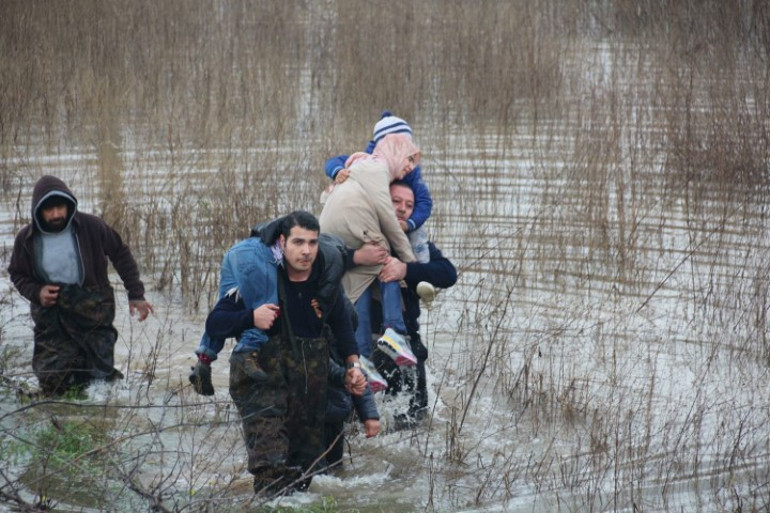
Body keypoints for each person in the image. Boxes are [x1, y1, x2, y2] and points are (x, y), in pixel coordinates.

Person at [204, 211, 367, 497]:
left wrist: (353, 366)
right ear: (282, 242)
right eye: (299, 242)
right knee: (271, 469)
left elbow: (343, 326)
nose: (306, 251)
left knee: (302, 477)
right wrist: (250, 318)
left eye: (312, 243)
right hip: (260, 387)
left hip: (307, 391)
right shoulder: (260, 279)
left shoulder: (324, 283)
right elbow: (215, 323)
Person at [7, 175, 154, 396]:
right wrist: (36, 292)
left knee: (99, 384)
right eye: (49, 210)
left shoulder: (92, 226)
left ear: (69, 204)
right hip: (51, 315)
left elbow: (121, 254)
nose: (56, 214)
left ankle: (100, 420)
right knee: (52, 384)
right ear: (38, 211)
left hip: (93, 312)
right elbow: (17, 274)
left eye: (60, 207)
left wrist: (136, 294)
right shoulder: (27, 239)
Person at [319, 132, 421, 365]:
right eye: (409, 160)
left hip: (333, 234)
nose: (410, 168)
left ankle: (362, 357)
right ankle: (394, 331)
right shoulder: (377, 169)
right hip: (350, 224)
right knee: (385, 258)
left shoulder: (361, 165)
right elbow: (389, 219)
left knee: (360, 279)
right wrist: (410, 265)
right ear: (396, 152)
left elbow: (326, 196)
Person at [370, 181, 457, 426]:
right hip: (365, 342)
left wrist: (406, 269)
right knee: (356, 420)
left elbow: (448, 274)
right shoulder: (361, 236)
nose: (401, 209)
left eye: (409, 206)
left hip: (406, 343)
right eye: (395, 201)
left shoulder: (417, 247)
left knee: (414, 423)